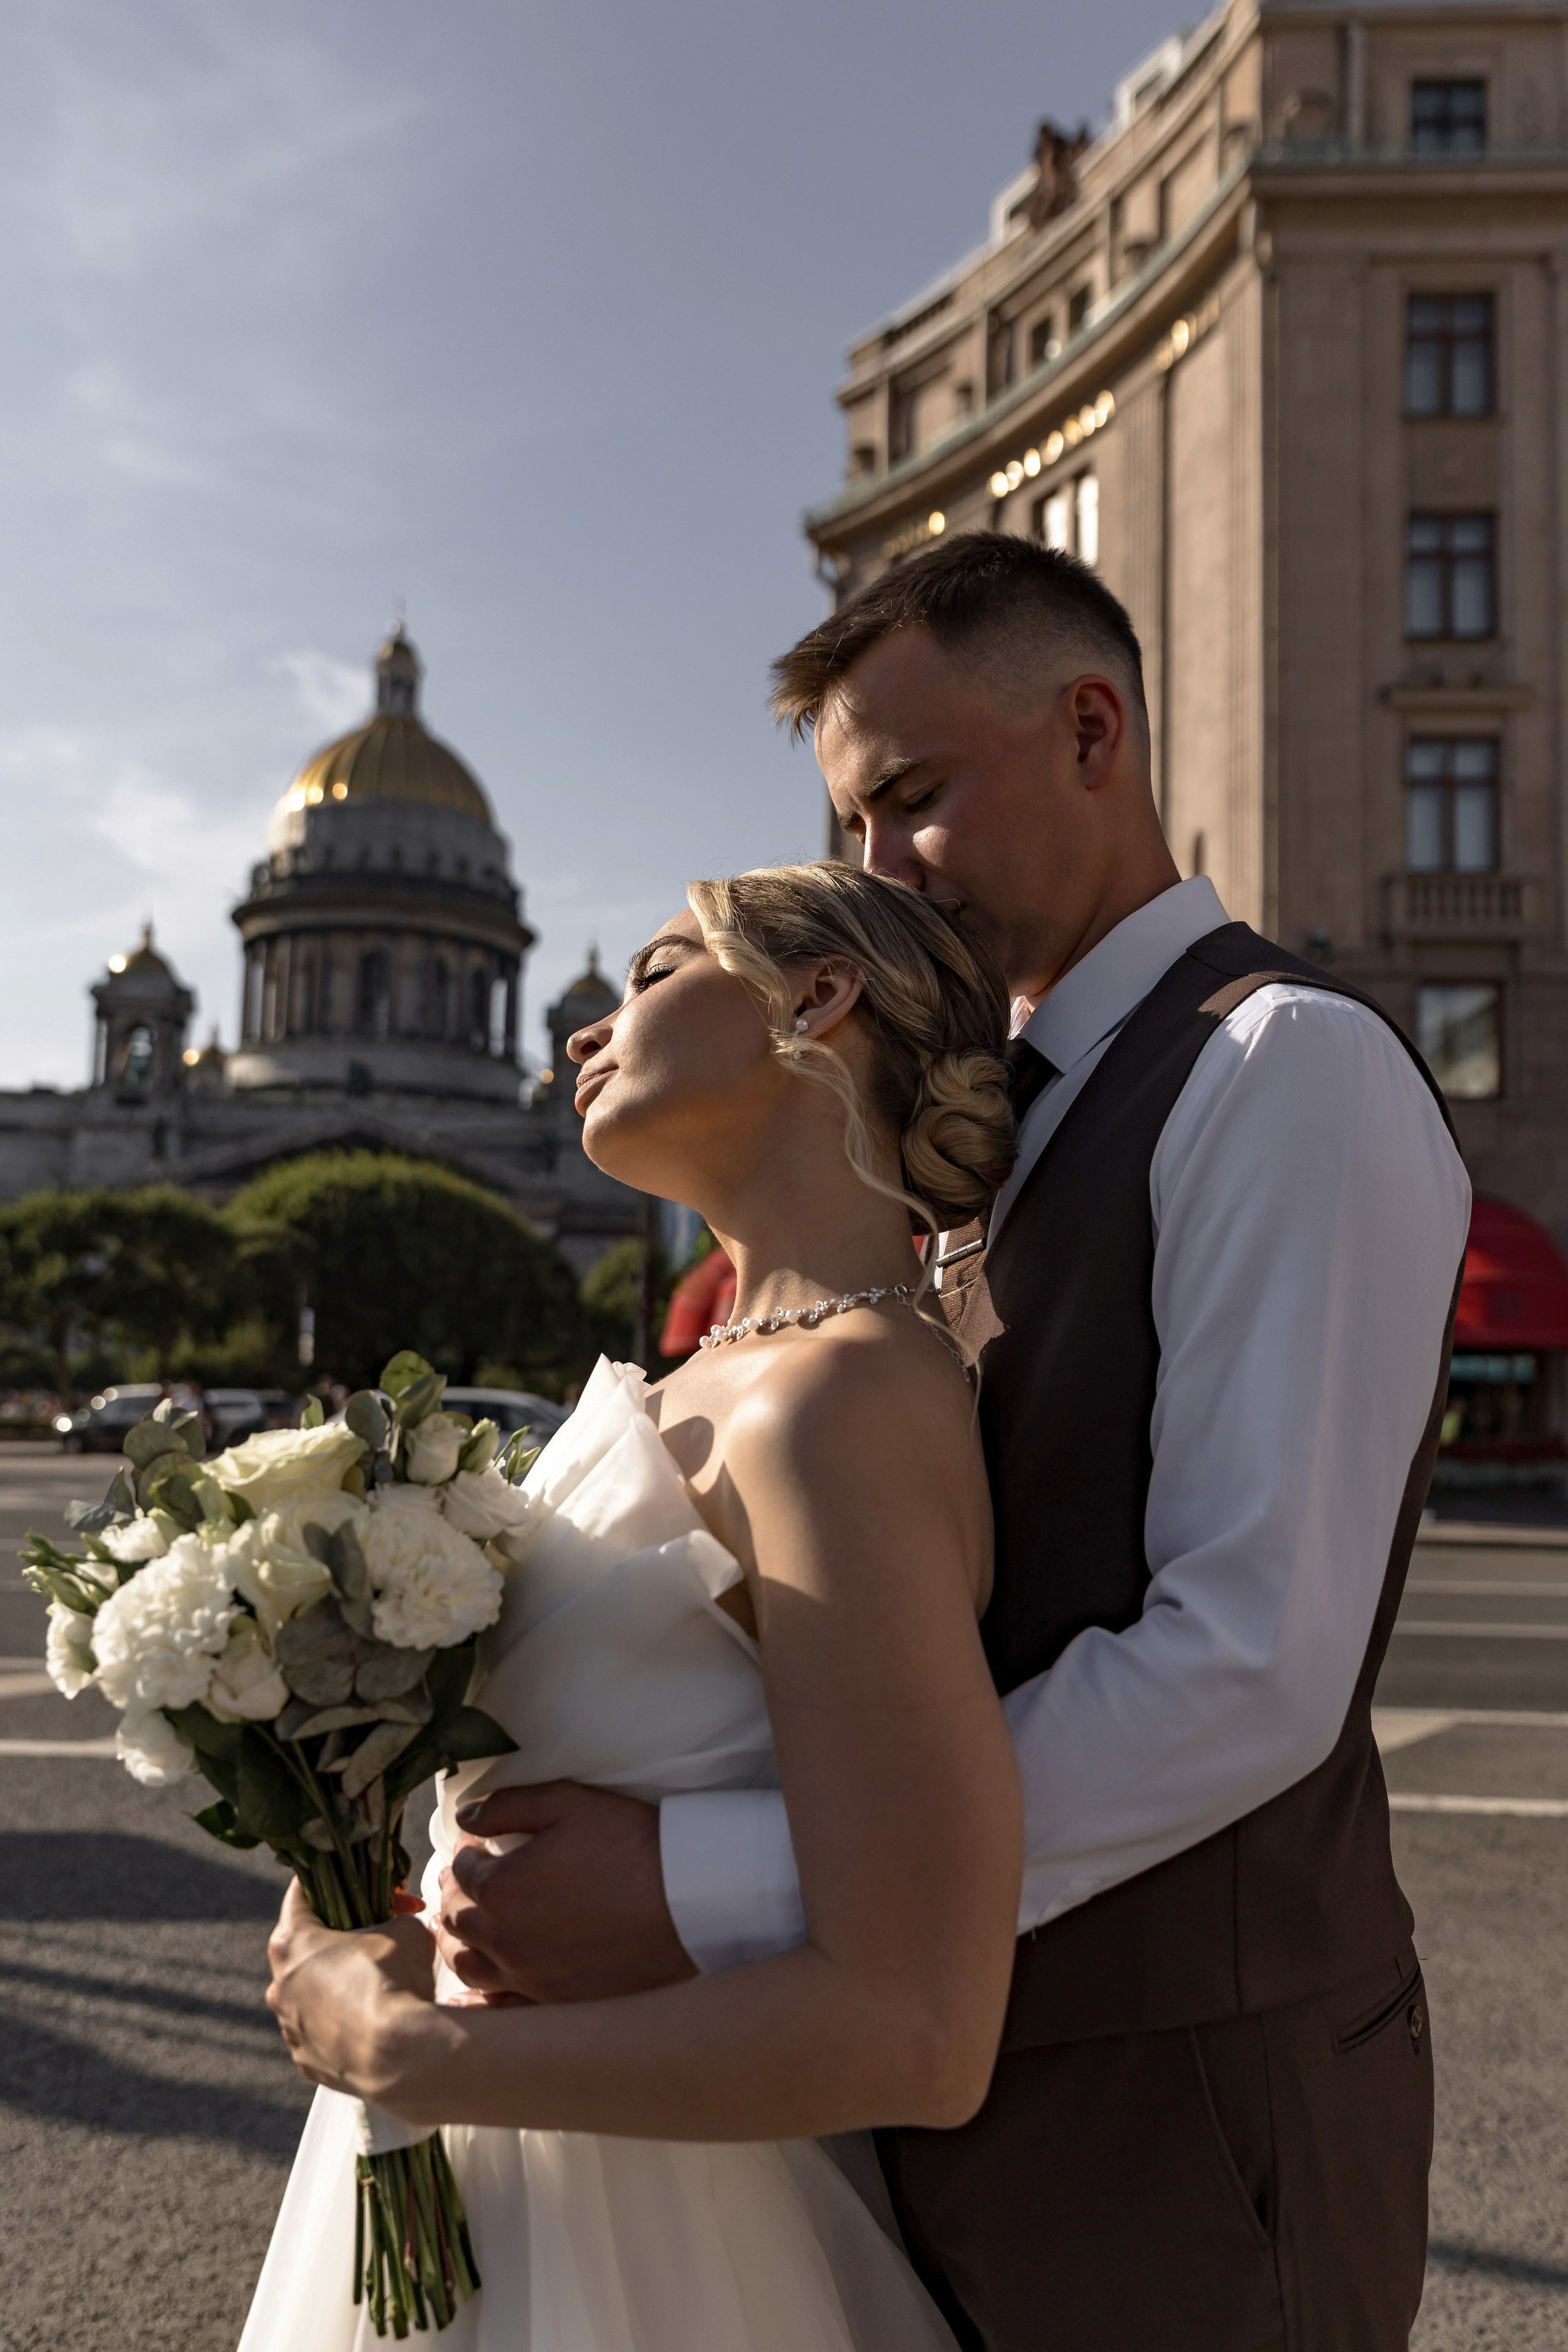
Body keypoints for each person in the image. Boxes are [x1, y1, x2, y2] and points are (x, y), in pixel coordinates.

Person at [429, 533, 1471, 2351]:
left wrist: (699, 1888)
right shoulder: (977, 1143)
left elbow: (1244, 1661)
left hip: (1185, 2117)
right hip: (914, 2114)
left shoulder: (1278, 1064)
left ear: (1094, 732)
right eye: (843, 828)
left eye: (908, 798)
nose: (871, 871)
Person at [254, 862, 1024, 2352]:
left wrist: (418, 2058)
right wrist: (348, 1865)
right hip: (540, 2173)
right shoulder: (723, 1377)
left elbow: (918, 2030)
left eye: (656, 975)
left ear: (816, 1000)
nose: (582, 1037)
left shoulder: (837, 1400)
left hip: (656, 2234)